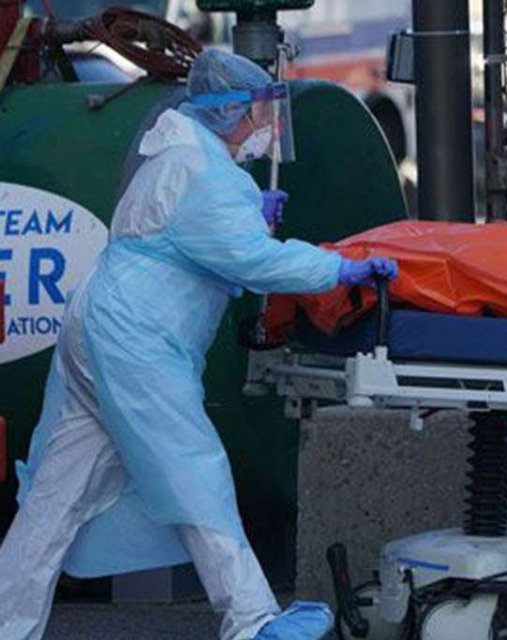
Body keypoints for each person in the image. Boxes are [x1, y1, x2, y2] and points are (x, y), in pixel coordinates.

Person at [0, 49, 398, 640]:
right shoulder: (207, 175)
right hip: (138, 338)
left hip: (102, 320)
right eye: (258, 111)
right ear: (229, 110)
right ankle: (251, 619)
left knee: (56, 496)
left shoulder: (180, 152)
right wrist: (339, 269)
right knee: (195, 471)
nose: (265, 127)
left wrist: (246, 209)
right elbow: (255, 262)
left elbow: (185, 232)